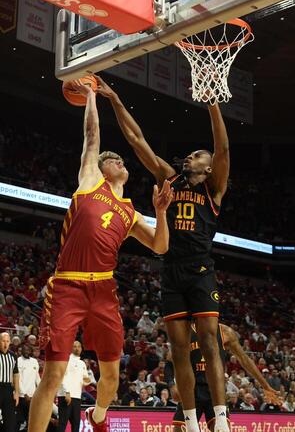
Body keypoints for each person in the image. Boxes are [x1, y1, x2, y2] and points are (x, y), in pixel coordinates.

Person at [28, 77, 173, 432]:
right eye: (117, 160)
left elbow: (161, 246)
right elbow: (92, 137)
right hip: (67, 287)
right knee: (54, 373)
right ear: (104, 167)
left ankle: (98, 417)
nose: (122, 163)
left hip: (104, 292)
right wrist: (92, 95)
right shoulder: (91, 179)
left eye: (123, 161)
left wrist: (163, 212)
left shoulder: (130, 211)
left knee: (111, 375)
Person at [97, 76, 230, 432]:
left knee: (208, 341)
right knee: (179, 351)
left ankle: (220, 418)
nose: (191, 156)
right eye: (191, 154)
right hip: (171, 269)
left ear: (209, 166)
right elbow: (137, 140)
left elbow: (223, 149)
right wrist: (114, 99)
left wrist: (212, 103)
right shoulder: (170, 178)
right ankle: (189, 420)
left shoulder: (214, 188)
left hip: (201, 269)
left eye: (197, 155)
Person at [167, 323, 280, 432]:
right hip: (191, 390)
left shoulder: (225, 332)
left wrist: (265, 386)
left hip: (215, 391)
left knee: (222, 429)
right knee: (179, 429)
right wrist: (172, 386)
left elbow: (245, 360)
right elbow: (168, 363)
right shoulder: (185, 332)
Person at [57, 341, 90, 432]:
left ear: (81, 349)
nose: (77, 348)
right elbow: (61, 376)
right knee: (62, 423)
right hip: (66, 395)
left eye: (79, 346)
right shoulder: (66, 360)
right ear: (71, 348)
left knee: (76, 424)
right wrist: (66, 392)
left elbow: (84, 380)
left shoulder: (82, 363)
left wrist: (87, 381)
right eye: (75, 346)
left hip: (77, 396)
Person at [17, 344, 40, 431]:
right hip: (22, 396)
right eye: (24, 350)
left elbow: (37, 378)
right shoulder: (18, 360)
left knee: (31, 420)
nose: (26, 352)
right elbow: (18, 379)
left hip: (33, 396)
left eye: (28, 350)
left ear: (31, 351)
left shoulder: (34, 361)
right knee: (19, 421)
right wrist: (24, 394)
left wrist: (40, 391)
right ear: (21, 351)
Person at [0, 332, 19, 432]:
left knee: (10, 420)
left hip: (8, 389)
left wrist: (17, 392)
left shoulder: (13, 356)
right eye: (3, 341)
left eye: (7, 341)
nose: (5, 344)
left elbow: (16, 374)